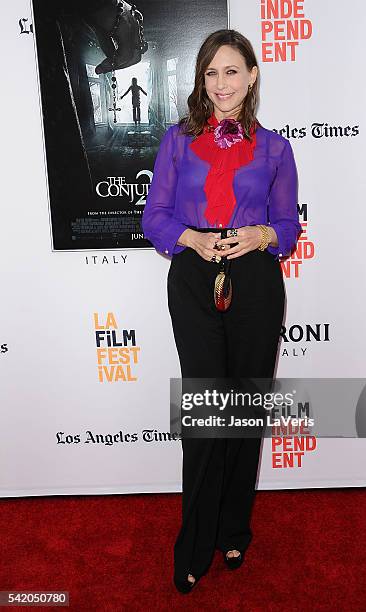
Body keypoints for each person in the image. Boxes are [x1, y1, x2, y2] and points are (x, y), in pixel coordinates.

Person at [142, 29, 302, 594]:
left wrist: (261, 234)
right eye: (211, 72)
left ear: (252, 76)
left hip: (255, 280)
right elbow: (153, 216)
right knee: (208, 412)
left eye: (232, 71)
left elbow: (288, 227)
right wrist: (191, 237)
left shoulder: (276, 147)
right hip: (193, 276)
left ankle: (234, 526)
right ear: (200, 81)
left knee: (246, 408)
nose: (221, 83)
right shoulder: (176, 141)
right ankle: (195, 540)